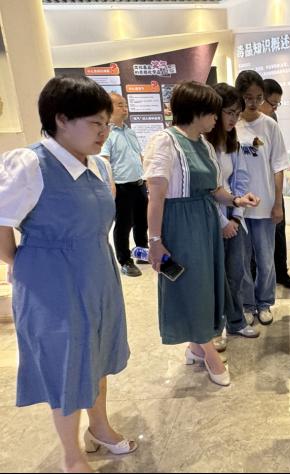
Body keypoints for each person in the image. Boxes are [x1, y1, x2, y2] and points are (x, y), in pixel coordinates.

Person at [0, 75, 135, 474]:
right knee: (67, 364)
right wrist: (19, 264)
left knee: (98, 352)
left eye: (106, 123)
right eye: (95, 123)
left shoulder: (99, 166)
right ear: (61, 119)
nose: (104, 132)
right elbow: (2, 223)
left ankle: (100, 427)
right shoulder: (30, 163)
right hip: (51, 283)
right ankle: (71, 455)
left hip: (97, 272)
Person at [143, 81, 259, 387]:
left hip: (204, 222)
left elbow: (214, 190)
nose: (217, 118)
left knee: (206, 286)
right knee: (191, 287)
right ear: (196, 112)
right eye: (212, 112)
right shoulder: (164, 142)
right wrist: (155, 241)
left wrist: (237, 200)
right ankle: (209, 354)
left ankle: (196, 347)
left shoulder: (205, 145)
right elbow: (156, 196)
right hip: (179, 225)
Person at [235, 70, 289, 326]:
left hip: (266, 206)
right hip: (239, 207)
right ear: (239, 96)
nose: (254, 102)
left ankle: (265, 302)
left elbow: (278, 166)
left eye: (259, 97)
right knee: (243, 261)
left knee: (267, 259)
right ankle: (247, 304)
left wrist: (278, 203)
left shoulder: (270, 126)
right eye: (248, 97)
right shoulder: (232, 124)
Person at [206, 83, 259, 339]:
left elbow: (240, 179)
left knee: (236, 272)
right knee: (214, 276)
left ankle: (236, 322)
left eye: (237, 114)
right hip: (211, 218)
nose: (233, 119)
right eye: (229, 112)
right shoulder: (202, 143)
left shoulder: (231, 143)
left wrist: (236, 216)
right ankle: (214, 329)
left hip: (234, 214)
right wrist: (222, 222)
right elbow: (205, 189)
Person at [100, 92, 148, 277]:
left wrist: (147, 177)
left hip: (139, 183)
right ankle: (125, 260)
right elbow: (104, 161)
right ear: (108, 109)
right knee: (123, 225)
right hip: (121, 187)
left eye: (125, 104)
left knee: (142, 222)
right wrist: (110, 185)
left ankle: (142, 252)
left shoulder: (130, 132)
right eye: (120, 104)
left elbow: (138, 155)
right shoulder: (107, 134)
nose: (124, 108)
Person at [259, 78, 290, 290]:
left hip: (273, 185)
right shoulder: (240, 122)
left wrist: (278, 200)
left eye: (277, 104)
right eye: (272, 103)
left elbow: (278, 160)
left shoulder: (271, 121)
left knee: (278, 232)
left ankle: (281, 272)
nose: (275, 108)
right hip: (253, 190)